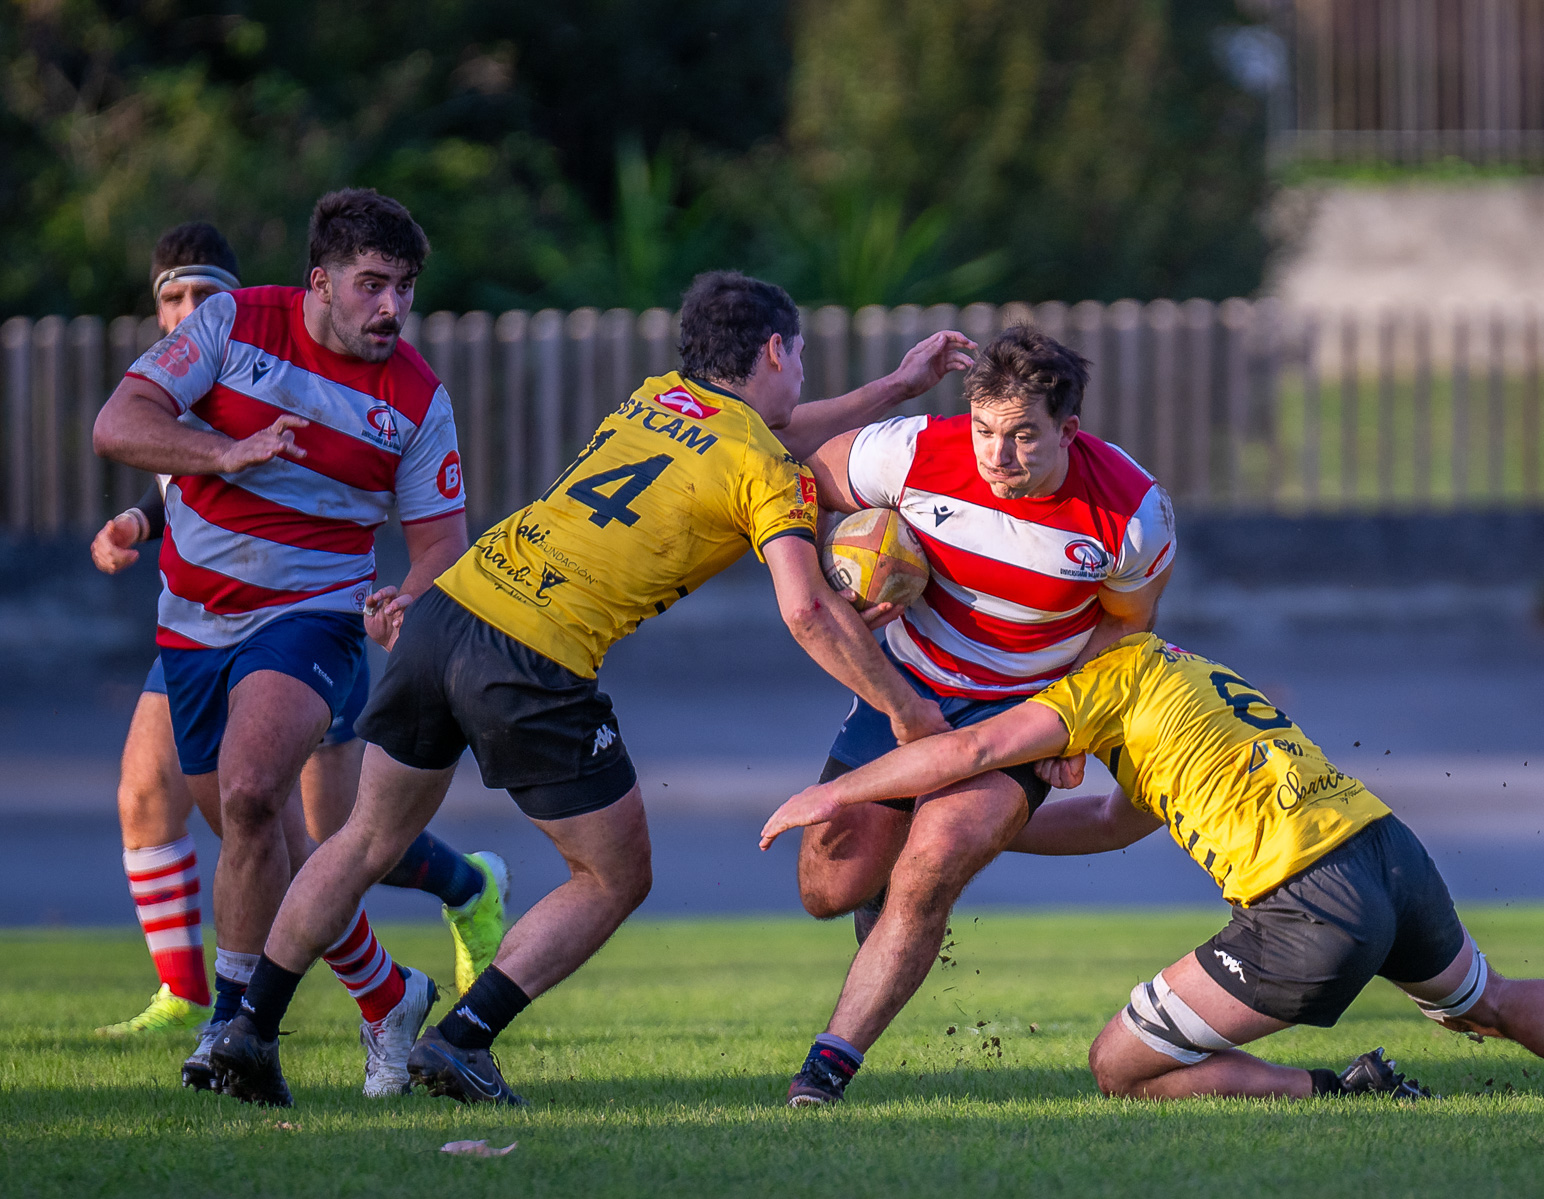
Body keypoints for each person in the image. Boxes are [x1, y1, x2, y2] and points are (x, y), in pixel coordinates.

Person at [205, 269, 979, 1108]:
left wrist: (897, 386)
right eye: (800, 358)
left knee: (361, 838)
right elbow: (808, 612)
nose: (802, 376)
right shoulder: (766, 472)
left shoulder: (657, 401)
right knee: (614, 876)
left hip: (450, 610)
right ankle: (462, 1039)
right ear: (774, 350)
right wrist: (910, 712)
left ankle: (246, 1028)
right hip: (533, 656)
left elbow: (774, 433)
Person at [761, 633, 1544, 1103]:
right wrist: (995, 836)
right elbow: (1112, 821)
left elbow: (974, 752)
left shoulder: (1106, 678)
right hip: (1388, 851)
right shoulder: (1189, 683)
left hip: (1309, 899)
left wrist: (843, 792)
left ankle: (1333, 1088)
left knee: (1119, 1065)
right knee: (1478, 998)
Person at [91, 191, 487, 1099]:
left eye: (405, 289)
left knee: (252, 790)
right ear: (320, 282)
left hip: (313, 615)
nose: (392, 308)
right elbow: (120, 423)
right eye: (372, 285)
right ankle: (388, 993)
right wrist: (218, 454)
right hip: (190, 621)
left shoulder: (418, 398)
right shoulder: (232, 323)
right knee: (250, 831)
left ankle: (236, 1026)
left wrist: (406, 601)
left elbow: (438, 547)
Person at [780, 325, 1176, 1105]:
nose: (999, 454)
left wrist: (1079, 725)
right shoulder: (917, 451)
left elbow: (1128, 623)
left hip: (1026, 710)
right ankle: (904, 874)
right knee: (828, 888)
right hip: (907, 687)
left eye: (1025, 435)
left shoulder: (1131, 511)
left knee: (933, 862)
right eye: (988, 432)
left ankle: (826, 1069)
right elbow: (806, 478)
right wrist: (842, 569)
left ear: (1069, 428)